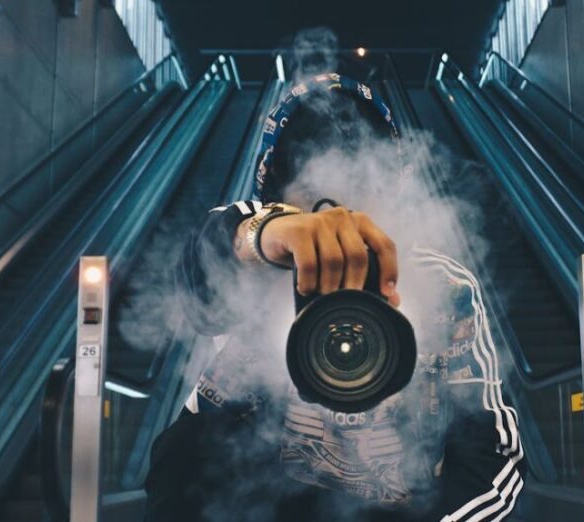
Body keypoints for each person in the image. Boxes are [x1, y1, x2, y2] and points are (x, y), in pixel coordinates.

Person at [145, 72, 524, 522]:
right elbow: (205, 272)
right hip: (253, 501)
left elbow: (492, 459)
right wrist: (264, 235)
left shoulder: (444, 285)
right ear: (277, 198)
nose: (339, 215)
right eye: (312, 192)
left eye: (358, 186)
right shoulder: (259, 257)